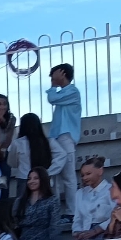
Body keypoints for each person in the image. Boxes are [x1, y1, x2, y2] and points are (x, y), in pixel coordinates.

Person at [46, 63, 81, 212]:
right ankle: (56, 211)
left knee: (68, 177)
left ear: (63, 74)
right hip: (55, 137)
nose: (52, 78)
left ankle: (72, 211)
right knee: (56, 179)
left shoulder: (73, 92)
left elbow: (52, 98)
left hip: (66, 137)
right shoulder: (64, 93)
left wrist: (53, 85)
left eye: (54, 75)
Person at [15, 166, 59, 240]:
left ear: (43, 180)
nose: (31, 181)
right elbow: (16, 223)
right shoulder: (20, 201)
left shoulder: (52, 200)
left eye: (36, 178)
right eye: (29, 179)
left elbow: (55, 226)